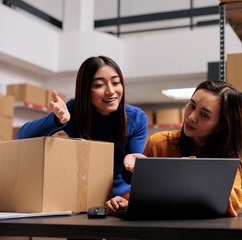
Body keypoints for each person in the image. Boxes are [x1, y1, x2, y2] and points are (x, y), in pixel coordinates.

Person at [105, 80, 242, 217]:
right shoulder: (158, 143)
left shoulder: (230, 153)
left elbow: (233, 200)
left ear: (221, 125)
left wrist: (188, 169)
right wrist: (124, 202)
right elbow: (141, 194)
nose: (191, 117)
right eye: (192, 106)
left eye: (204, 114)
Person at [17, 56, 148, 198]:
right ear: (85, 89)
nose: (111, 91)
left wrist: (133, 164)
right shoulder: (73, 110)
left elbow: (129, 178)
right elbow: (23, 136)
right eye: (99, 85)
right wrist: (56, 120)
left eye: (116, 83)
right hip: (82, 194)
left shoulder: (136, 117)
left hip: (120, 198)